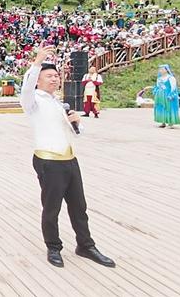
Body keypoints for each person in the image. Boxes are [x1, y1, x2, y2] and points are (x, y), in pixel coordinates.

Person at [20, 45, 115, 269]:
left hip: (69, 159)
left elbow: (74, 133)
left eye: (56, 76)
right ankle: (53, 247)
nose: (54, 79)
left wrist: (77, 123)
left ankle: (85, 245)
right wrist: (37, 62)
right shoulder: (32, 101)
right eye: (49, 76)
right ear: (38, 80)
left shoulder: (58, 102)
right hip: (48, 159)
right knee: (52, 207)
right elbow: (26, 87)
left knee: (79, 206)